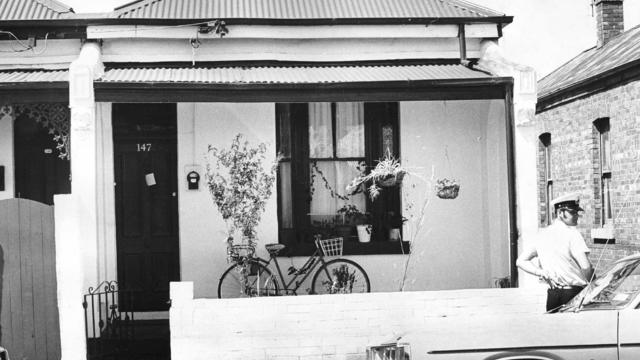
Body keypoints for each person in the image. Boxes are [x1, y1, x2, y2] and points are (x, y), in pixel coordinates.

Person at [516, 192, 594, 313]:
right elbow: (586, 267)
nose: (576, 216)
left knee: (554, 330)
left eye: (577, 212)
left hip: (553, 296)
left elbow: (521, 261)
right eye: (572, 212)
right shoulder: (572, 234)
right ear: (560, 213)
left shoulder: (542, 235)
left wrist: (540, 272)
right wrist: (593, 285)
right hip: (574, 295)